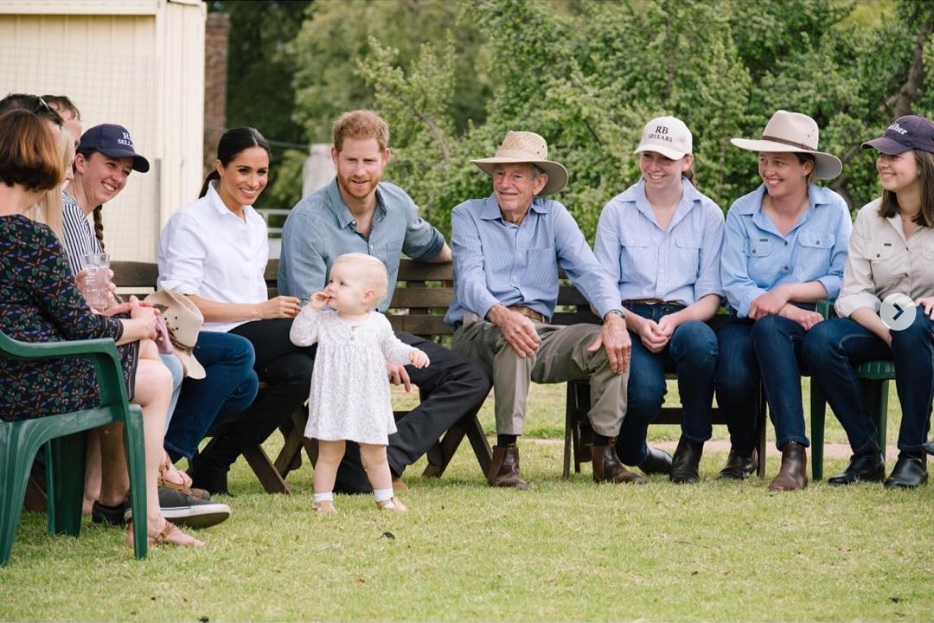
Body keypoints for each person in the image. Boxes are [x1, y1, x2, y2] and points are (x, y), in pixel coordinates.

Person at [0, 108, 202, 547]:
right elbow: (80, 328)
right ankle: (142, 512)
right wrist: (142, 327)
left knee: (147, 369)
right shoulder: (29, 236)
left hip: (17, 369)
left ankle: (123, 498)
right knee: (154, 378)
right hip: (31, 381)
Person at [278, 110, 491, 493]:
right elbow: (314, 308)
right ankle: (359, 469)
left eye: (369, 161)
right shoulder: (307, 220)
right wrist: (376, 356)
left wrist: (473, 267)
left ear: (385, 158)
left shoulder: (398, 206)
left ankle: (385, 457)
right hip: (326, 344)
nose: (360, 171)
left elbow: (433, 246)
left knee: (470, 376)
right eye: (351, 160)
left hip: (379, 334)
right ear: (334, 157)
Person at [62, 122, 233, 527]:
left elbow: (85, 301)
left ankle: (117, 486)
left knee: (179, 353)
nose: (118, 178)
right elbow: (74, 308)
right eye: (111, 165)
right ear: (79, 162)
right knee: (167, 366)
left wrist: (129, 310)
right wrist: (132, 318)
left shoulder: (82, 218)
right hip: (66, 356)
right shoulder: (68, 212)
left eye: (124, 171)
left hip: (83, 341)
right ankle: (143, 481)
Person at [446, 129, 636, 489]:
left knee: (604, 344)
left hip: (541, 333)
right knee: (517, 336)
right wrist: (502, 315)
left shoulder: (554, 217)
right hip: (479, 330)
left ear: (539, 182)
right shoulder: (467, 214)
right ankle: (506, 457)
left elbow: (591, 272)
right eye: (499, 174)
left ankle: (605, 455)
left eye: (517, 175)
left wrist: (614, 317)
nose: (505, 183)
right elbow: (469, 282)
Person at [158, 127, 309, 495]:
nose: (254, 182)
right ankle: (164, 458)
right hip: (207, 339)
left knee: (304, 372)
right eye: (244, 170)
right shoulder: (191, 221)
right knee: (315, 337)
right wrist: (261, 310)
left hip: (250, 339)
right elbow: (182, 300)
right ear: (220, 167)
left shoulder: (254, 223)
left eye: (262, 172)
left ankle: (215, 461)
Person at [719, 110, 852, 490]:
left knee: (774, 329)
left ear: (806, 166)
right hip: (747, 320)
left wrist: (790, 292)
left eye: (779, 162)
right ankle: (743, 450)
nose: (768, 170)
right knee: (730, 373)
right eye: (763, 161)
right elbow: (734, 283)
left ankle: (794, 454)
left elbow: (843, 278)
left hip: (809, 327)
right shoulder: (741, 212)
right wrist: (784, 305)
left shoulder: (833, 210)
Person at [805, 115, 934, 489]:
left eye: (894, 156)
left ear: (924, 162)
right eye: (881, 155)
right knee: (821, 341)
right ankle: (866, 454)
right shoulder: (868, 217)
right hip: (884, 325)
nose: (882, 162)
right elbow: (854, 293)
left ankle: (911, 456)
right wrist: (887, 332)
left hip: (928, 329)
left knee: (913, 328)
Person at [593, 116, 724, 484]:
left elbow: (711, 295)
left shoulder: (709, 214)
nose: (654, 167)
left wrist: (675, 321)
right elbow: (602, 289)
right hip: (630, 318)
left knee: (701, 344)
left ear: (687, 161)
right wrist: (633, 322)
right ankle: (635, 451)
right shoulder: (616, 211)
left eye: (665, 159)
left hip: (686, 318)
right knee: (645, 394)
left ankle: (691, 449)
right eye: (647, 156)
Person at [290, 253, 430, 513]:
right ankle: (322, 500)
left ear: (367, 296)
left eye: (342, 284)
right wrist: (310, 309)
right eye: (331, 280)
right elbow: (300, 338)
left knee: (376, 454)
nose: (331, 287)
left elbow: (392, 349)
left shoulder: (377, 323)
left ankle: (385, 498)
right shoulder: (324, 321)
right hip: (334, 398)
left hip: (368, 399)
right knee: (330, 454)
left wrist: (410, 354)